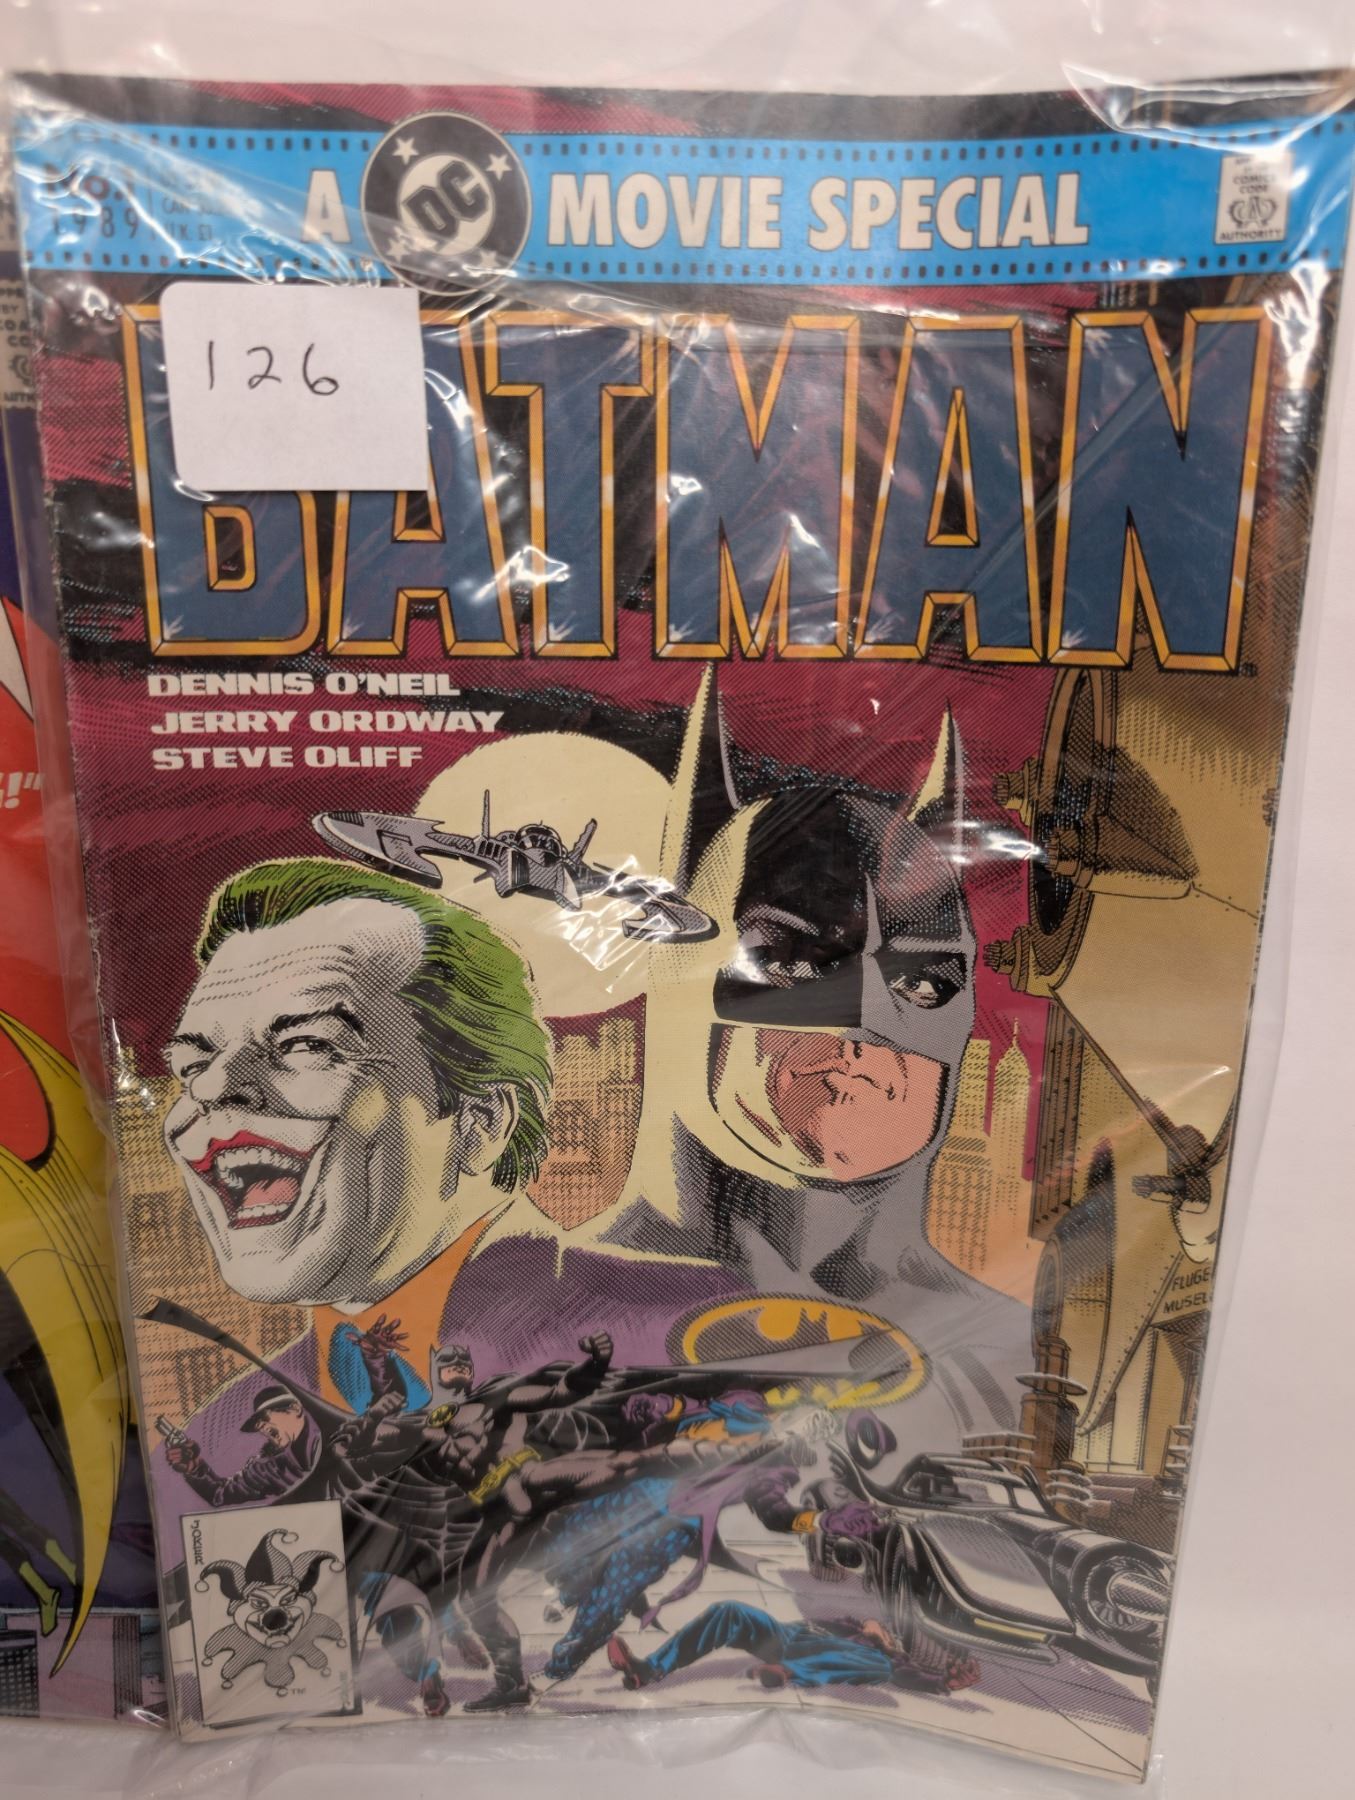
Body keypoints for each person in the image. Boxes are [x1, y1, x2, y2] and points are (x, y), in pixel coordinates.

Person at [606, 1601, 980, 1694]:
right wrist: (859, 1625)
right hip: (786, 1638)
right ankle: (648, 1670)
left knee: (880, 1668)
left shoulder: (886, 1654)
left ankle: (785, 1673)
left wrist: (941, 1683)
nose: (877, 1625)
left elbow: (907, 1674)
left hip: (818, 1658)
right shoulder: (845, 1623)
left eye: (885, 1629)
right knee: (730, 1611)